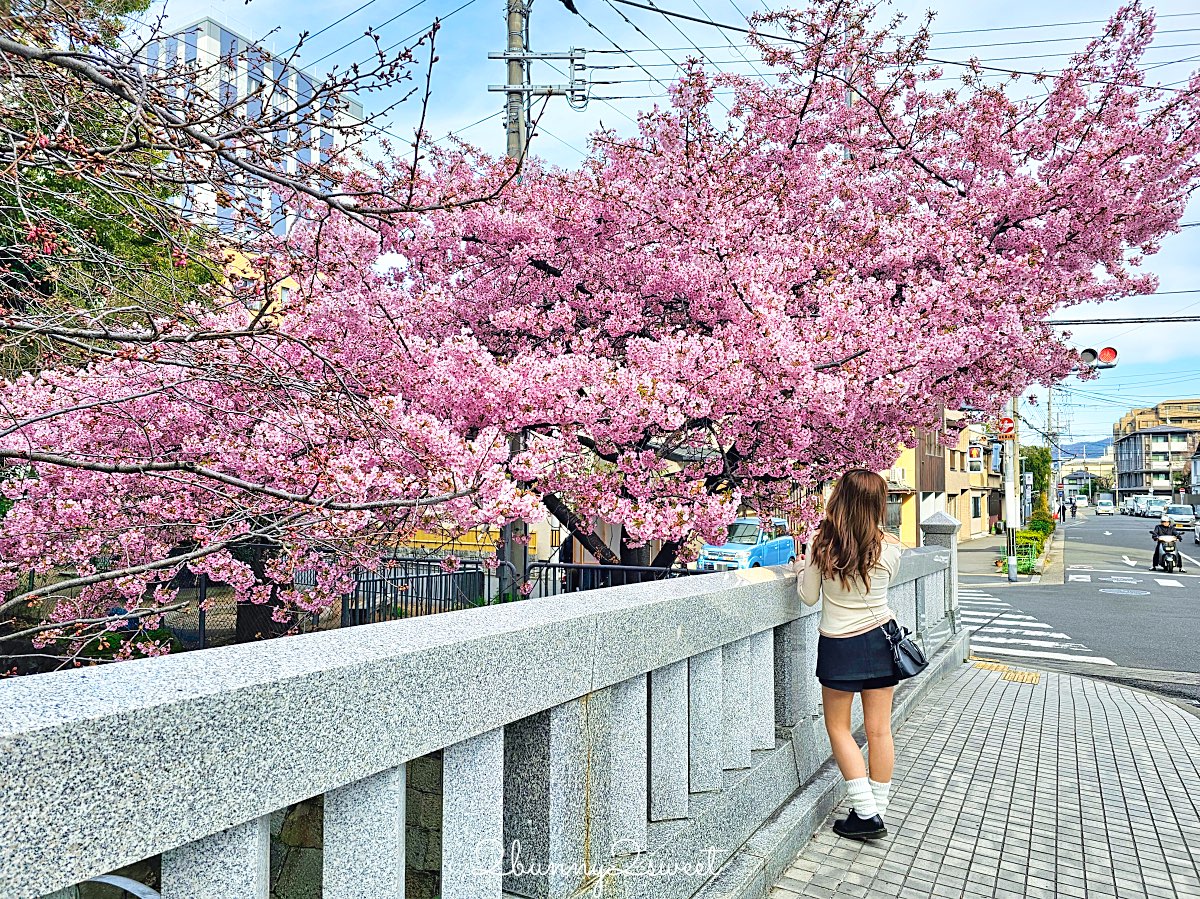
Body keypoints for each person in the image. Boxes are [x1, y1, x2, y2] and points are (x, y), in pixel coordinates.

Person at [798, 469, 903, 842]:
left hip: (839, 646)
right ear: (877, 503)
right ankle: (877, 810)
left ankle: (866, 812)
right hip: (881, 642)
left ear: (839, 497)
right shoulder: (891, 546)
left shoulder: (822, 544)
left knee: (840, 728)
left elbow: (809, 597)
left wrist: (802, 570)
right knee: (879, 730)